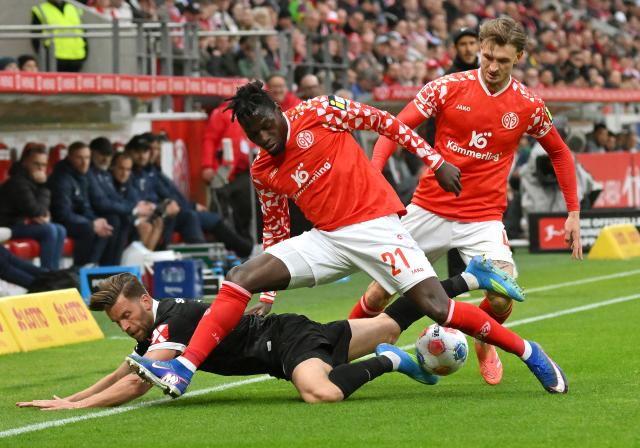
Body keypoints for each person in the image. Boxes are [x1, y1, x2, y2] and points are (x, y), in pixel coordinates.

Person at [127, 80, 567, 398]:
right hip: (327, 239)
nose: (265, 138)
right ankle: (184, 368)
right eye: (255, 136)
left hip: (376, 226)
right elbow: (277, 227)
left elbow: (384, 122)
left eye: (267, 126)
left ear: (278, 110)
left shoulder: (319, 111)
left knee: (436, 308)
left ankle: (529, 351)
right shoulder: (263, 168)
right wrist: (265, 296)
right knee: (242, 273)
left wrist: (434, 159)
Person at [348, 17, 582, 387]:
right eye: (486, 56)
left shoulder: (528, 105)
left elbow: (560, 153)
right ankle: (339, 350)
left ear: (519, 57)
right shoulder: (446, 88)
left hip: (483, 219)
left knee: (503, 296)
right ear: (479, 49)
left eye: (502, 61)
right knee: (379, 290)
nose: (491, 67)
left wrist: (573, 213)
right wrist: (376, 173)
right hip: (427, 209)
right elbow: (394, 129)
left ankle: (482, 338)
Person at [17, 265, 523, 408]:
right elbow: (128, 368)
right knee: (394, 319)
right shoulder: (155, 329)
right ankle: (472, 276)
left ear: (145, 299)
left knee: (319, 392)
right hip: (293, 332)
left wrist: (78, 409)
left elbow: (137, 384)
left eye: (127, 316)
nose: (127, 327)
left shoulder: (171, 320)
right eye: (120, 324)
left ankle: (392, 362)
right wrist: (72, 396)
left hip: (287, 344)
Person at [0, 143, 66, 270]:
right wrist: (43, 186)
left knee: (60, 229)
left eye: (44, 165)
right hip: (6, 227)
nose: (41, 169)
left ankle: (54, 273)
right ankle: (47, 276)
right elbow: (36, 210)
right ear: (25, 163)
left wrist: (42, 215)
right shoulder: (17, 182)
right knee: (49, 230)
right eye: (36, 164)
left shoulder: (31, 180)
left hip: (20, 224)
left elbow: (40, 210)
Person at [49, 141, 114, 266]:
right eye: (79, 158)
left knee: (105, 225)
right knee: (88, 229)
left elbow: (84, 206)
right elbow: (62, 213)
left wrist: (96, 220)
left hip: (74, 219)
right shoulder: (62, 178)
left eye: (87, 158)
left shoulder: (81, 176)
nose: (84, 162)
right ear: (69, 157)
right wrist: (91, 224)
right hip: (60, 222)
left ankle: (92, 268)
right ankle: (80, 271)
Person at [110, 152, 163, 250]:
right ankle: (139, 260)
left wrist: (147, 207)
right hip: (118, 219)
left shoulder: (128, 183)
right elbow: (114, 206)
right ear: (113, 167)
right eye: (121, 168)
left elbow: (135, 201)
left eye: (128, 170)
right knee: (145, 227)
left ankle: (146, 259)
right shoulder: (109, 182)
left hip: (130, 216)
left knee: (157, 223)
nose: (124, 173)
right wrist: (137, 217)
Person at [31, 0, 87, 72]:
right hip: (53, 57)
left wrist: (85, 51)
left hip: (77, 56)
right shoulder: (40, 9)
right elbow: (35, 36)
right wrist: (44, 55)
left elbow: (82, 31)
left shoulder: (74, 8)